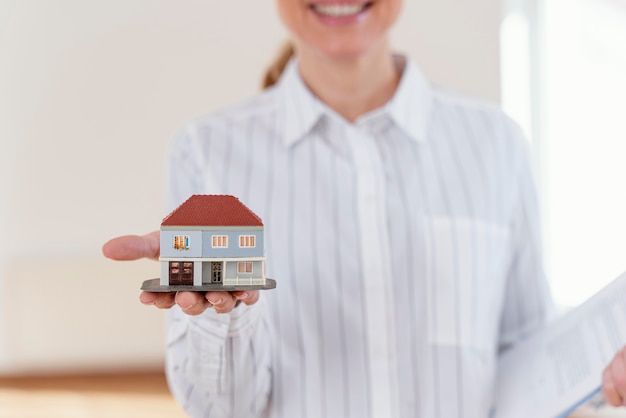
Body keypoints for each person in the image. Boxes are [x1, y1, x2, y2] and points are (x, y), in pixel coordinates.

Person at [103, 0, 626, 416]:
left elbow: (523, 360)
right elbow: (225, 410)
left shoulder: (496, 143)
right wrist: (224, 315)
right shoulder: (206, 152)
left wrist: (599, 376)